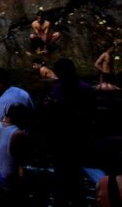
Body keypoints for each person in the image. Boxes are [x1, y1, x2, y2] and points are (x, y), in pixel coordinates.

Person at [43, 58, 97, 207]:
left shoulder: (58, 90)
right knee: (74, 178)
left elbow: (48, 116)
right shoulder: (84, 89)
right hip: (74, 140)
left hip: (64, 140)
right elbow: (92, 117)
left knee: (63, 178)